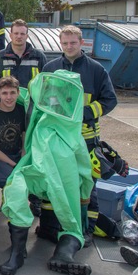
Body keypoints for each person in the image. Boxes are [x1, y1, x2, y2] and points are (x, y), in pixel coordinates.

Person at [0, 70, 93, 275]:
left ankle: (64, 255)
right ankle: (17, 252)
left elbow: (85, 169)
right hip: (34, 171)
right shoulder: (39, 115)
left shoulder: (73, 134)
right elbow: (23, 92)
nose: (54, 98)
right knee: (15, 189)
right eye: (52, 91)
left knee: (71, 222)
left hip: (62, 180)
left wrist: (85, 199)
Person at [41, 25, 117, 245]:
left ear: (81, 43)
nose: (69, 46)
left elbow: (110, 100)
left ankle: (86, 229)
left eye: (73, 42)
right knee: (53, 182)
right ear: (60, 43)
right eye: (65, 43)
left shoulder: (96, 69)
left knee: (86, 185)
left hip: (86, 139)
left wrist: (85, 113)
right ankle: (48, 227)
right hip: (58, 137)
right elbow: (45, 100)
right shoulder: (51, 67)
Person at [0, 19, 46, 88]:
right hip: (8, 98)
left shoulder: (39, 57)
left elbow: (46, 84)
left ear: (27, 36)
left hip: (32, 99)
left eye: (22, 34)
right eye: (16, 33)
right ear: (10, 35)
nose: (19, 36)